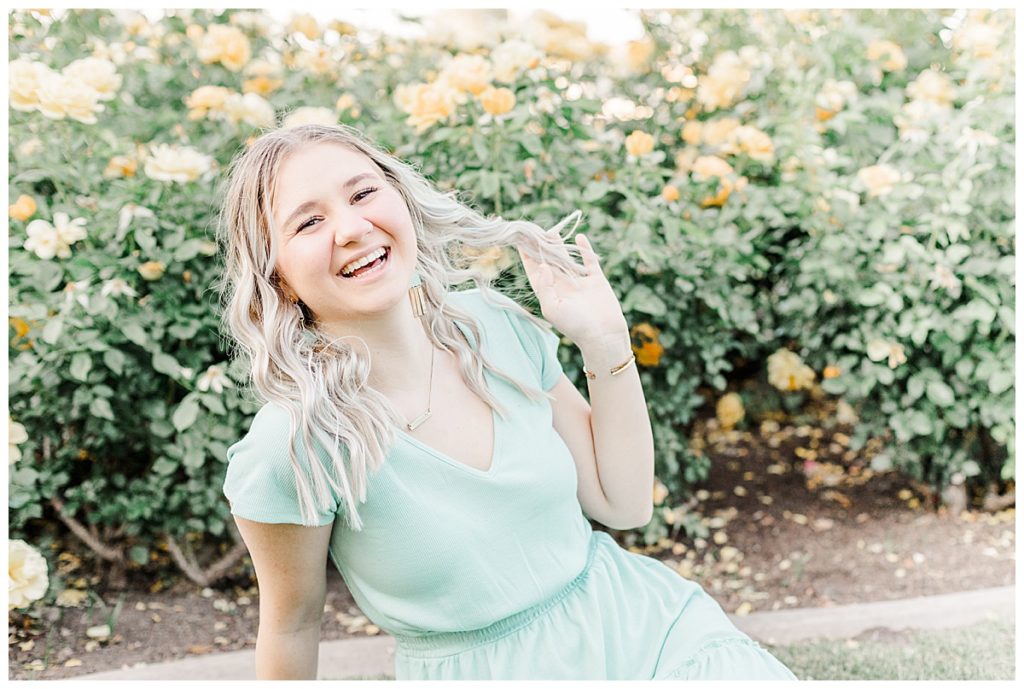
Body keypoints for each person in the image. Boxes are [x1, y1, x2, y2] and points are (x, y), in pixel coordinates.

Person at [217, 123, 797, 680]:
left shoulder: (494, 330)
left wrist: (605, 342)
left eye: (364, 192)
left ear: (403, 201)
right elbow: (292, 626)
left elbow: (624, 506)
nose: (351, 227)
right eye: (309, 222)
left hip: (652, 634)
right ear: (279, 276)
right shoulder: (292, 446)